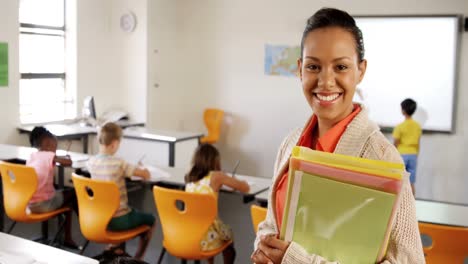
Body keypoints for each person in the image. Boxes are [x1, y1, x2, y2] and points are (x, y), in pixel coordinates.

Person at [251, 8, 424, 264]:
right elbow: (271, 225)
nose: (326, 81)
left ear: (360, 70)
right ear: (300, 70)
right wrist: (264, 247)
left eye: (341, 67)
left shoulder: (383, 158)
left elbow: (410, 261)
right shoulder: (290, 143)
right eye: (313, 66)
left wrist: (295, 260)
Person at [87, 122, 155, 260]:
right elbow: (145, 175)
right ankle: (138, 258)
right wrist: (144, 169)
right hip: (119, 220)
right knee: (151, 220)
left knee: (126, 209)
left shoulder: (91, 162)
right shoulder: (119, 163)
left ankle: (113, 247)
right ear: (114, 144)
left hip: (99, 218)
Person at [185, 144, 250, 264]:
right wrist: (233, 179)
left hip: (188, 233)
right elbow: (245, 188)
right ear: (215, 161)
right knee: (229, 236)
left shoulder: (189, 176)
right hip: (207, 237)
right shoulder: (217, 177)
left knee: (214, 229)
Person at [27, 126, 79, 248]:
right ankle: (80, 228)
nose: (55, 151)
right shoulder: (48, 155)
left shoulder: (32, 156)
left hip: (29, 203)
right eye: (54, 147)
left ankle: (66, 237)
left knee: (66, 199)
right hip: (44, 204)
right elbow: (68, 163)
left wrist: (57, 157)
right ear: (47, 144)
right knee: (73, 194)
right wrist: (67, 158)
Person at [393, 98, 421, 195]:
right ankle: (412, 204)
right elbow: (418, 142)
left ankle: (400, 204)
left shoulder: (400, 126)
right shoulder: (417, 126)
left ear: (403, 110)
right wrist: (416, 154)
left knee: (399, 181)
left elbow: (396, 143)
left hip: (402, 155)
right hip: (413, 155)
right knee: (411, 182)